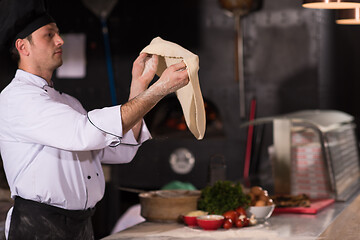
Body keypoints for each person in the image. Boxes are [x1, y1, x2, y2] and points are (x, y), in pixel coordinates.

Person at [0, 0, 189, 239]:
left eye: (58, 33)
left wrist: (139, 85)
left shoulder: (68, 103)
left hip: (81, 225)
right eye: (49, 35)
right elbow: (84, 133)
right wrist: (160, 89)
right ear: (23, 47)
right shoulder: (17, 99)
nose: (60, 40)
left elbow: (121, 150)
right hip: (37, 228)